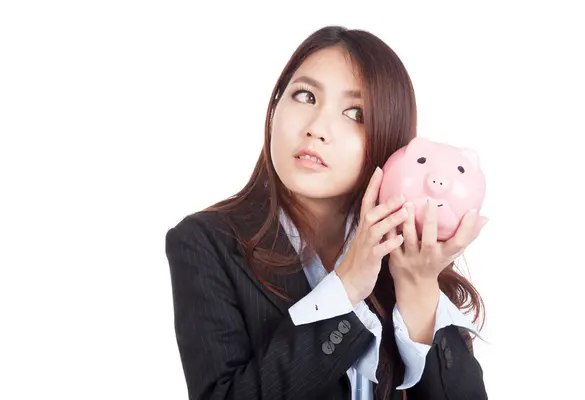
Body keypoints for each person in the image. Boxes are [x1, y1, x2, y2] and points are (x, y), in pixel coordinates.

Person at [165, 25, 489, 400]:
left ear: (392, 141)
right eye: (304, 95)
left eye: (355, 113)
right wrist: (346, 289)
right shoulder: (206, 243)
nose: (318, 128)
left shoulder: (407, 253)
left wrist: (418, 288)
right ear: (274, 109)